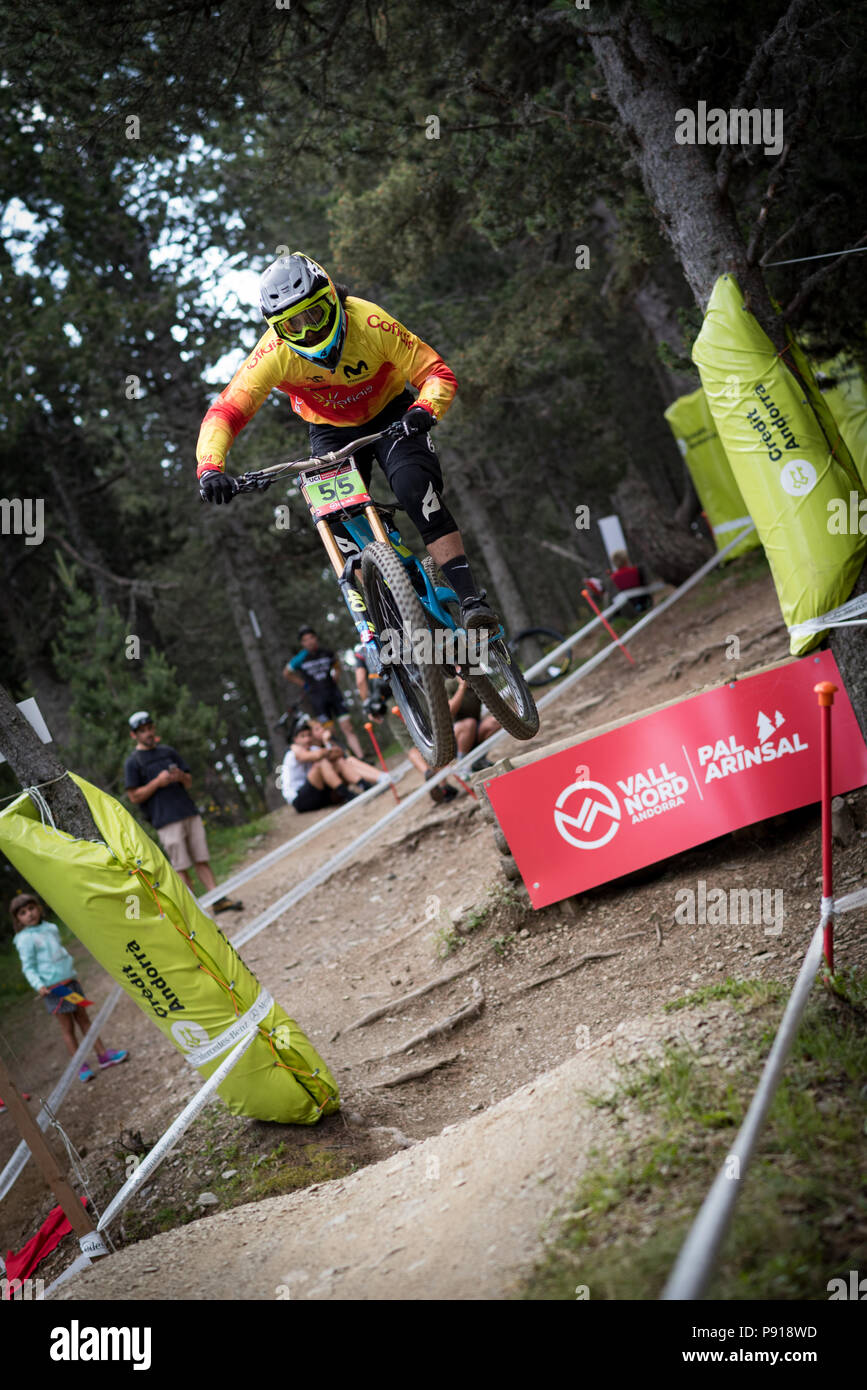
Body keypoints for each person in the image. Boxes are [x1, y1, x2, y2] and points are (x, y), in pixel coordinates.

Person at [196, 251, 499, 633]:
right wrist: (210, 467)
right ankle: (389, 621)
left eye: (316, 315)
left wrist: (424, 409)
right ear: (277, 329)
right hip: (330, 429)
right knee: (336, 521)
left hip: (392, 414)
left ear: (333, 299)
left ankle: (472, 601)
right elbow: (225, 412)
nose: (309, 332)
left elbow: (436, 372)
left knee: (413, 487)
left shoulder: (369, 322)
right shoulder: (272, 354)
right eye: (294, 326)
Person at [123, 712, 242, 912]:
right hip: (165, 819)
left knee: (201, 858)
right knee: (181, 867)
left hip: (188, 811)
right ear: (134, 735)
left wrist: (179, 776)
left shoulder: (168, 751)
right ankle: (195, 911)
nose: (148, 733)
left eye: (150, 728)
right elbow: (134, 796)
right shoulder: (133, 762)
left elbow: (189, 781)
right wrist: (157, 783)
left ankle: (218, 899)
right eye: (142, 731)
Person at [10, 893, 127, 1083]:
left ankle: (103, 1055)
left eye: (31, 908)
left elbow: (60, 953)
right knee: (68, 1028)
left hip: (70, 984)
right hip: (53, 990)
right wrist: (39, 985)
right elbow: (29, 967)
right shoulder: (24, 940)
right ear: (18, 919)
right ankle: (80, 1067)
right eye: (23, 913)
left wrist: (71, 973)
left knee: (85, 1020)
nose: (29, 914)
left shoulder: (51, 928)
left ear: (38, 908)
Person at [353, 644, 459, 804]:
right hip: (416, 688)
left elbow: (361, 680)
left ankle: (427, 773)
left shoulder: (363, 650)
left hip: (390, 700)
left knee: (410, 744)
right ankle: (443, 784)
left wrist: (369, 704)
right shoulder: (396, 630)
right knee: (431, 737)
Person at [283, 626, 364, 757]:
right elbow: (287, 673)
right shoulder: (300, 658)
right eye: (305, 640)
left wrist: (336, 676)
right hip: (317, 698)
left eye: (311, 638)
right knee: (330, 732)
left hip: (333, 693)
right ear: (302, 643)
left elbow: (337, 665)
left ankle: (361, 757)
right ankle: (347, 760)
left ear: (316, 638)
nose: (309, 641)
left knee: (348, 727)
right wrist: (303, 684)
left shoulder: (326, 652)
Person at [445, 676, 499, 769]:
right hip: (456, 736)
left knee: (495, 722)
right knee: (470, 723)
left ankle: (478, 760)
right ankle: (463, 766)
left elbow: (492, 701)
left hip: (475, 730)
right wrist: (462, 687)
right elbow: (449, 712)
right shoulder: (449, 684)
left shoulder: (476, 681)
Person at [609, 550, 652, 615]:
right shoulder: (636, 570)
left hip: (626, 609)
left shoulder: (613, 578)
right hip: (644, 603)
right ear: (626, 559)